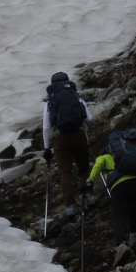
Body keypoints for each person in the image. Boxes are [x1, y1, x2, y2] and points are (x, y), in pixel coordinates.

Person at [84, 129, 136, 267]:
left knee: (118, 213)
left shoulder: (105, 156)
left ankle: (121, 244)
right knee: (133, 207)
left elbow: (97, 166)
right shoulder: (132, 152)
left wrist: (89, 181)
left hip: (121, 188)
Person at [42, 71, 94, 217]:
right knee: (84, 168)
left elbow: (46, 127)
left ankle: (70, 205)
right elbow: (89, 118)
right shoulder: (76, 97)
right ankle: (88, 195)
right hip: (78, 135)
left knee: (65, 172)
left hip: (60, 139)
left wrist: (47, 148)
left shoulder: (50, 103)